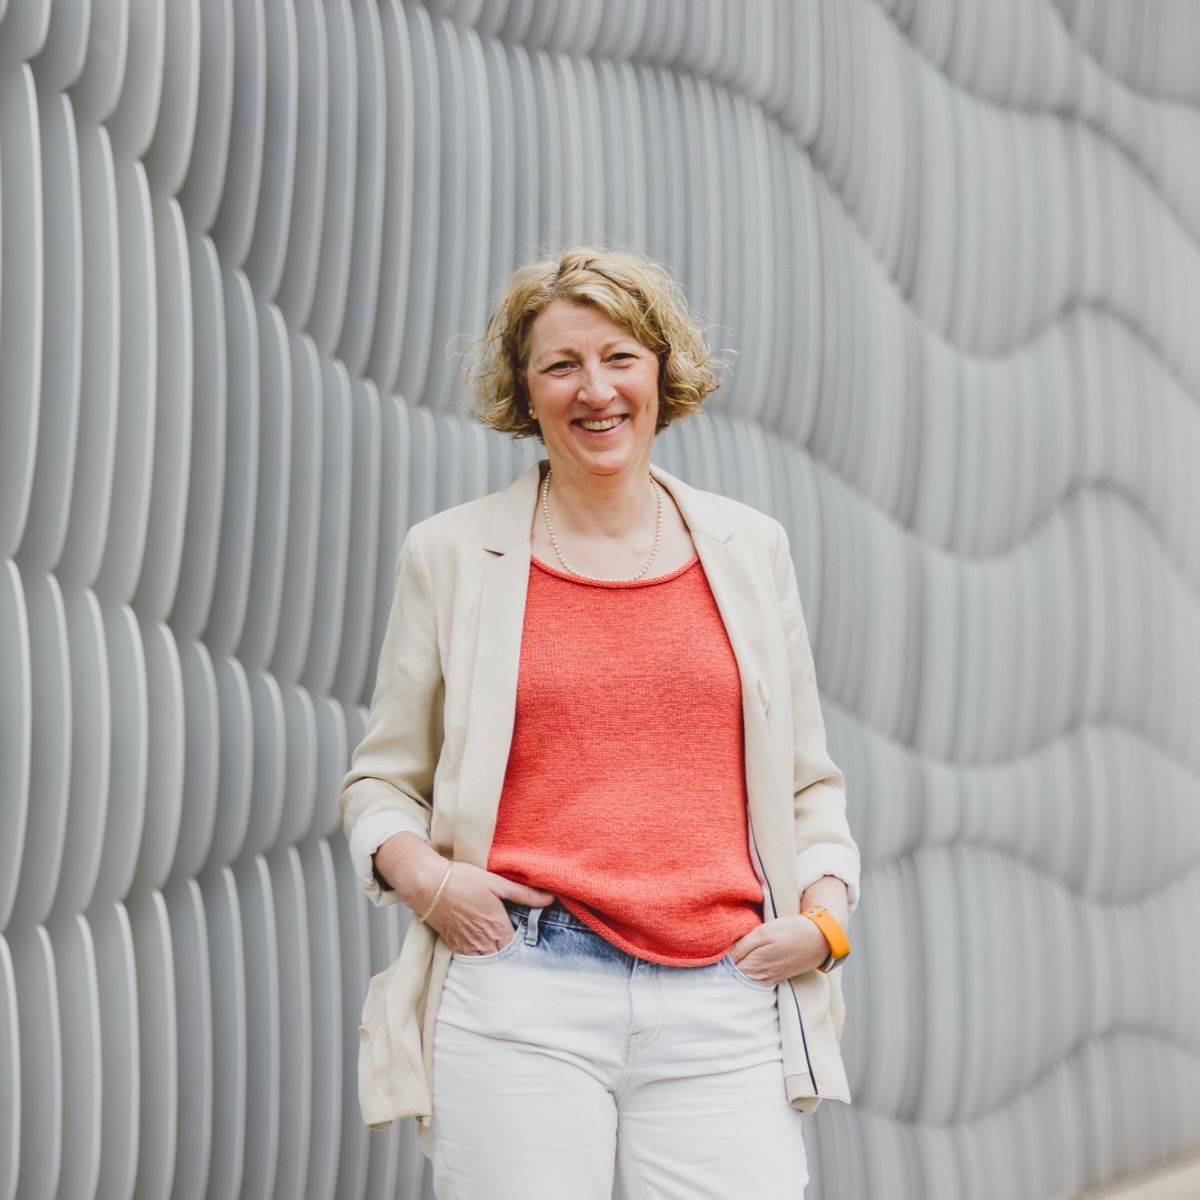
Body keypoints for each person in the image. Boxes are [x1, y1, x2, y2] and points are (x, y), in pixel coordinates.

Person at [340, 246, 861, 1199]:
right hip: (520, 989)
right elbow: (382, 780)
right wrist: (430, 883)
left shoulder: (749, 548)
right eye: (561, 365)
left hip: (725, 994)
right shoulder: (452, 554)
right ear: (524, 391)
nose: (596, 391)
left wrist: (823, 923)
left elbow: (807, 781)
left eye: (620, 356)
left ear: (663, 370)